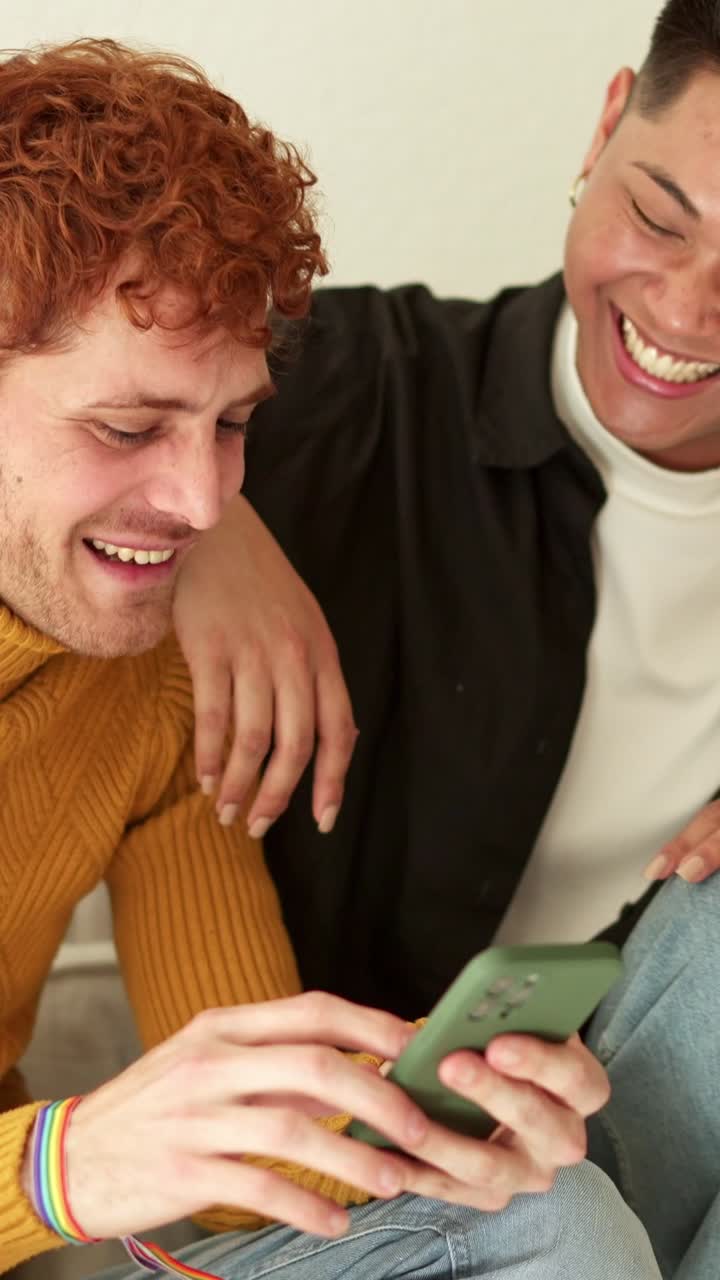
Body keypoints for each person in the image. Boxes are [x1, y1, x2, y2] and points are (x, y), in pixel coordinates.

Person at [0, 36, 656, 1280]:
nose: (204, 502)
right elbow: (77, 1168)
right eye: (130, 426)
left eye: (235, 423)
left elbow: (272, 1158)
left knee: (554, 1211)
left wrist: (437, 1114)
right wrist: (59, 1165)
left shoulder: (148, 679)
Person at [166, 0, 720, 1273]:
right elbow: (54, 397)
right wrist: (208, 523)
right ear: (602, 128)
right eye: (656, 215)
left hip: (596, 1152)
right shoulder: (334, 399)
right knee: (560, 1222)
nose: (686, 311)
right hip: (310, 1197)